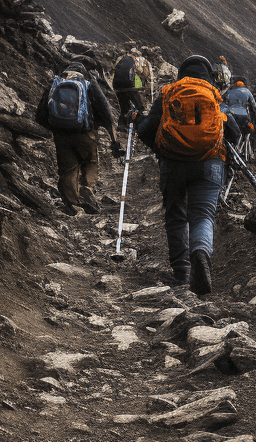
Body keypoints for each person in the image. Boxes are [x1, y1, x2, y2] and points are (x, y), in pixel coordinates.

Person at [137, 54, 240, 295]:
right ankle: (201, 253)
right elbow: (233, 131)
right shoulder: (215, 94)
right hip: (210, 165)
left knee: (175, 215)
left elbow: (147, 130)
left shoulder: (168, 92)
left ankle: (182, 271)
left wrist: (162, 149)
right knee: (203, 216)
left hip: (172, 165)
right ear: (208, 74)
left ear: (181, 73)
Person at [35, 60, 120, 214]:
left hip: (61, 135)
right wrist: (113, 139)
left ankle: (72, 203)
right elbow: (106, 112)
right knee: (91, 161)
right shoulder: (89, 83)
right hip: (85, 133)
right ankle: (86, 188)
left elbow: (40, 114)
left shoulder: (55, 83)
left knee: (68, 169)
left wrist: (55, 128)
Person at [112, 47, 154, 130]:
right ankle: (142, 126)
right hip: (129, 86)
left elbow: (115, 69)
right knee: (140, 107)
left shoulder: (121, 59)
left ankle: (122, 125)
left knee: (123, 107)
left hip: (117, 86)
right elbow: (143, 73)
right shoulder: (138, 60)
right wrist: (144, 86)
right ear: (137, 55)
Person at [222, 76, 256, 155]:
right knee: (246, 131)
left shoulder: (229, 91)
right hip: (243, 117)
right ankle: (242, 150)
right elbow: (254, 107)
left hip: (231, 116)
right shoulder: (247, 91)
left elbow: (223, 104)